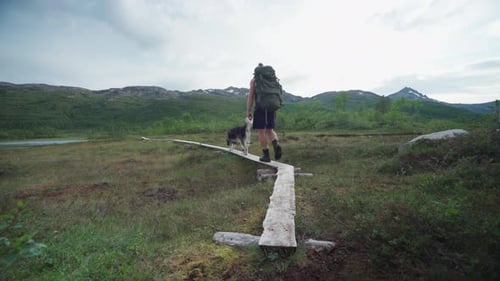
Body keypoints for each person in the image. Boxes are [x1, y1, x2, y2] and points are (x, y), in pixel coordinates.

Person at [246, 63, 282, 162]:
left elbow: (251, 96)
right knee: (270, 130)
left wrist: (248, 110)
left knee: (261, 131)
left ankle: (266, 155)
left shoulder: (255, 81)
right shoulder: (272, 80)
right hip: (271, 107)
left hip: (260, 108)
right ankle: (276, 143)